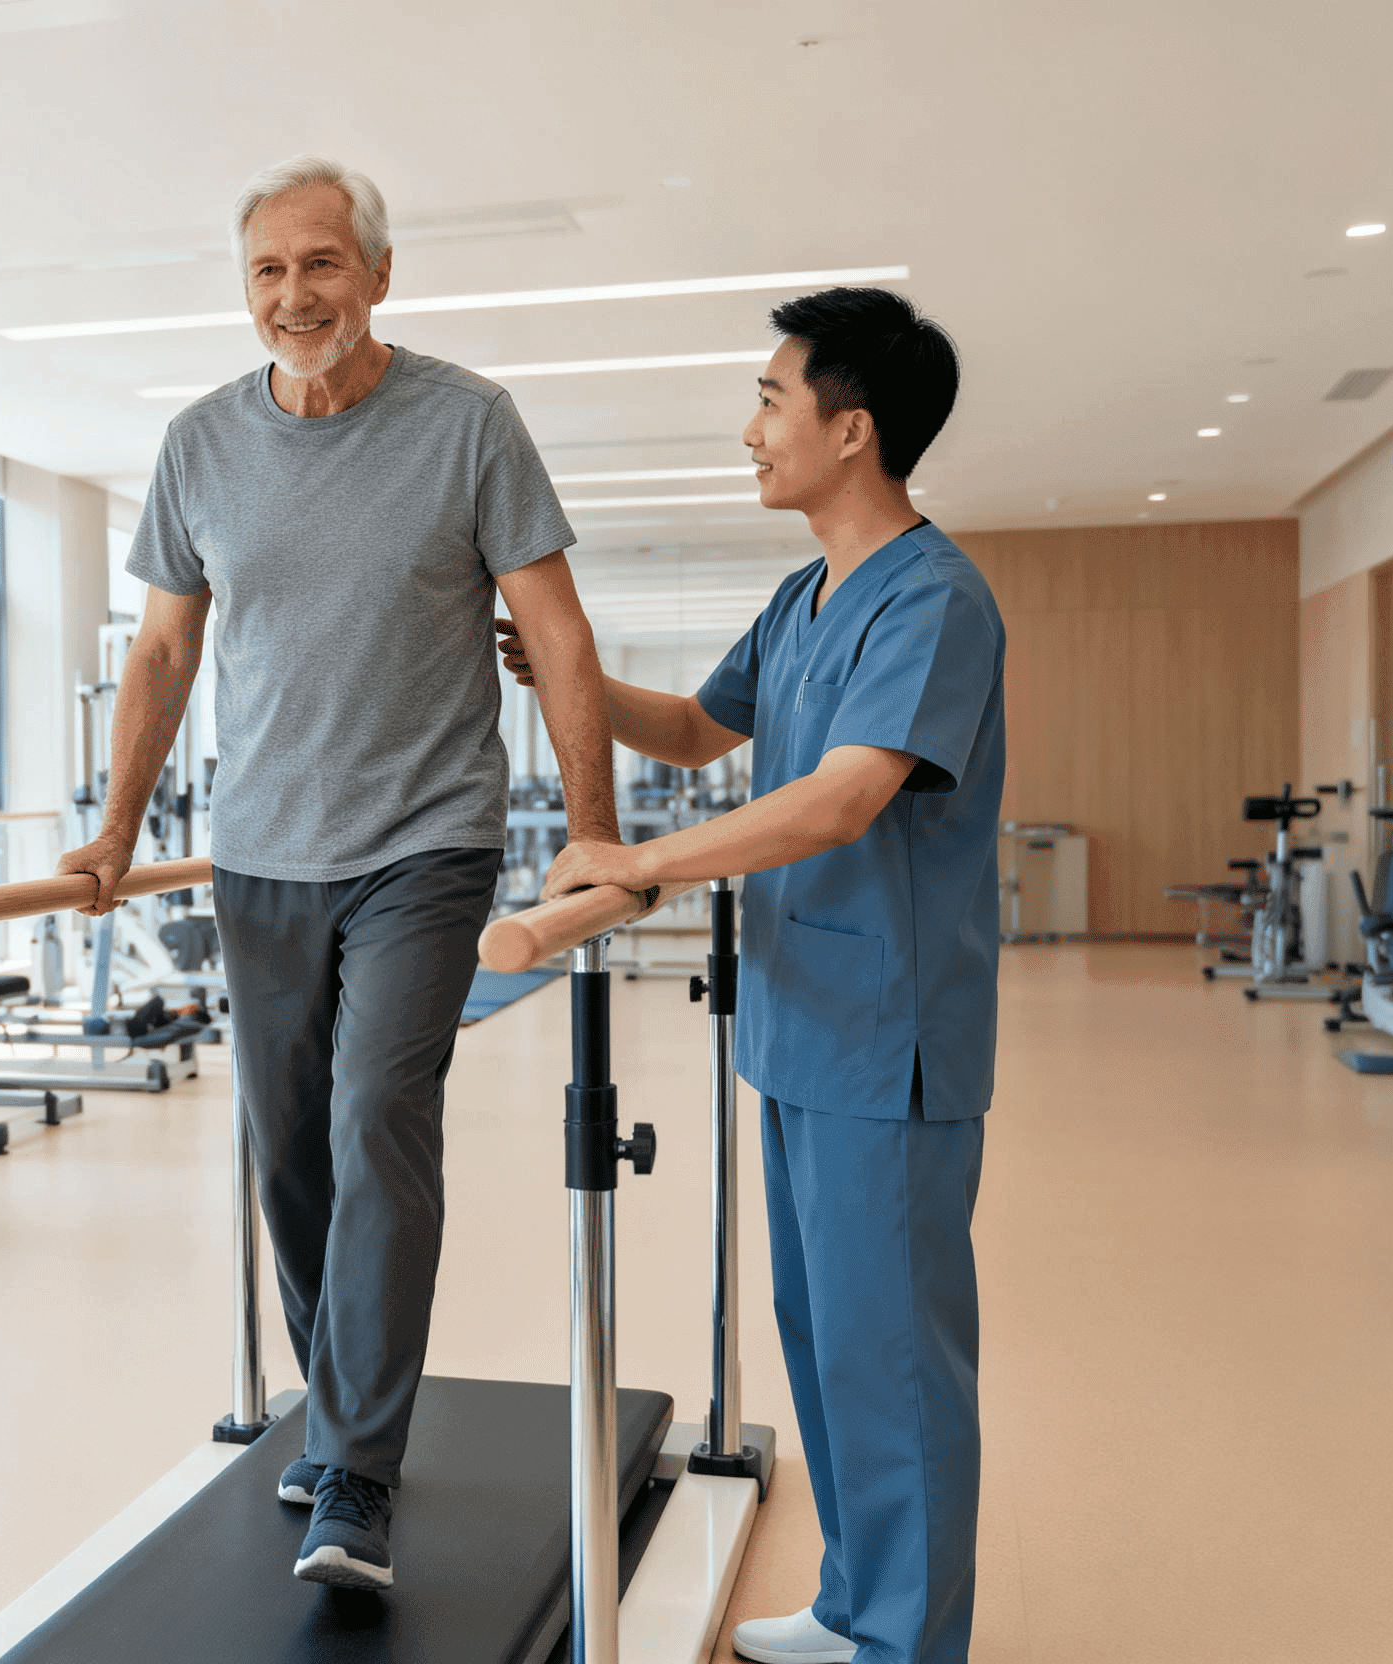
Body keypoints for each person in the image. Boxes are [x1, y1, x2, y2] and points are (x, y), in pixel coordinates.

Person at [57, 153, 621, 1592]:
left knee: (377, 1116)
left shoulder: (469, 423)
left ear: (377, 273)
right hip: (261, 853)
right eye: (268, 270)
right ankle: (337, 1408)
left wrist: (594, 829)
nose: (294, 295)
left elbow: (558, 633)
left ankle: (357, 1469)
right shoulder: (199, 444)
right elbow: (166, 649)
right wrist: (118, 832)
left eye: (321, 264)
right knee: (291, 1150)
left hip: (426, 842)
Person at [498, 287, 999, 1664]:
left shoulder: (935, 599)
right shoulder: (799, 599)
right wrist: (564, 667)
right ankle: (853, 1606)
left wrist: (641, 863)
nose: (751, 429)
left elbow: (841, 799)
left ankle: (905, 1644)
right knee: (825, 1342)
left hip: (889, 1041)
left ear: (853, 429)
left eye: (772, 400)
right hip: (797, 1026)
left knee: (892, 1358)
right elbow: (694, 730)